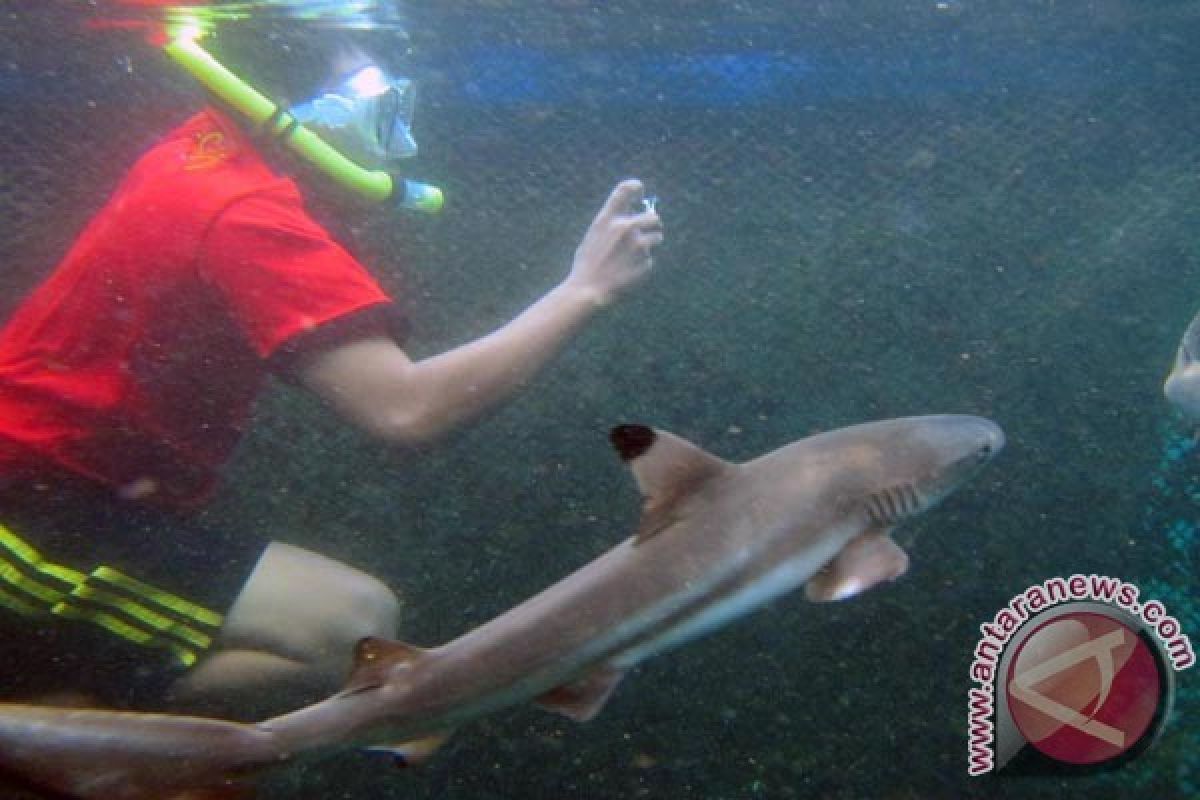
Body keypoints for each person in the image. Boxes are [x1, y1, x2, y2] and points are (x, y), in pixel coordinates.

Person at [0, 44, 663, 714]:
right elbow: (407, 411)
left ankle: (63, 720)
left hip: (77, 487)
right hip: (28, 506)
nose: (401, 137)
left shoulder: (206, 146)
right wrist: (585, 291)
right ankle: (54, 739)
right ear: (306, 111)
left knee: (346, 621)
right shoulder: (245, 214)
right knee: (348, 631)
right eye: (383, 106)